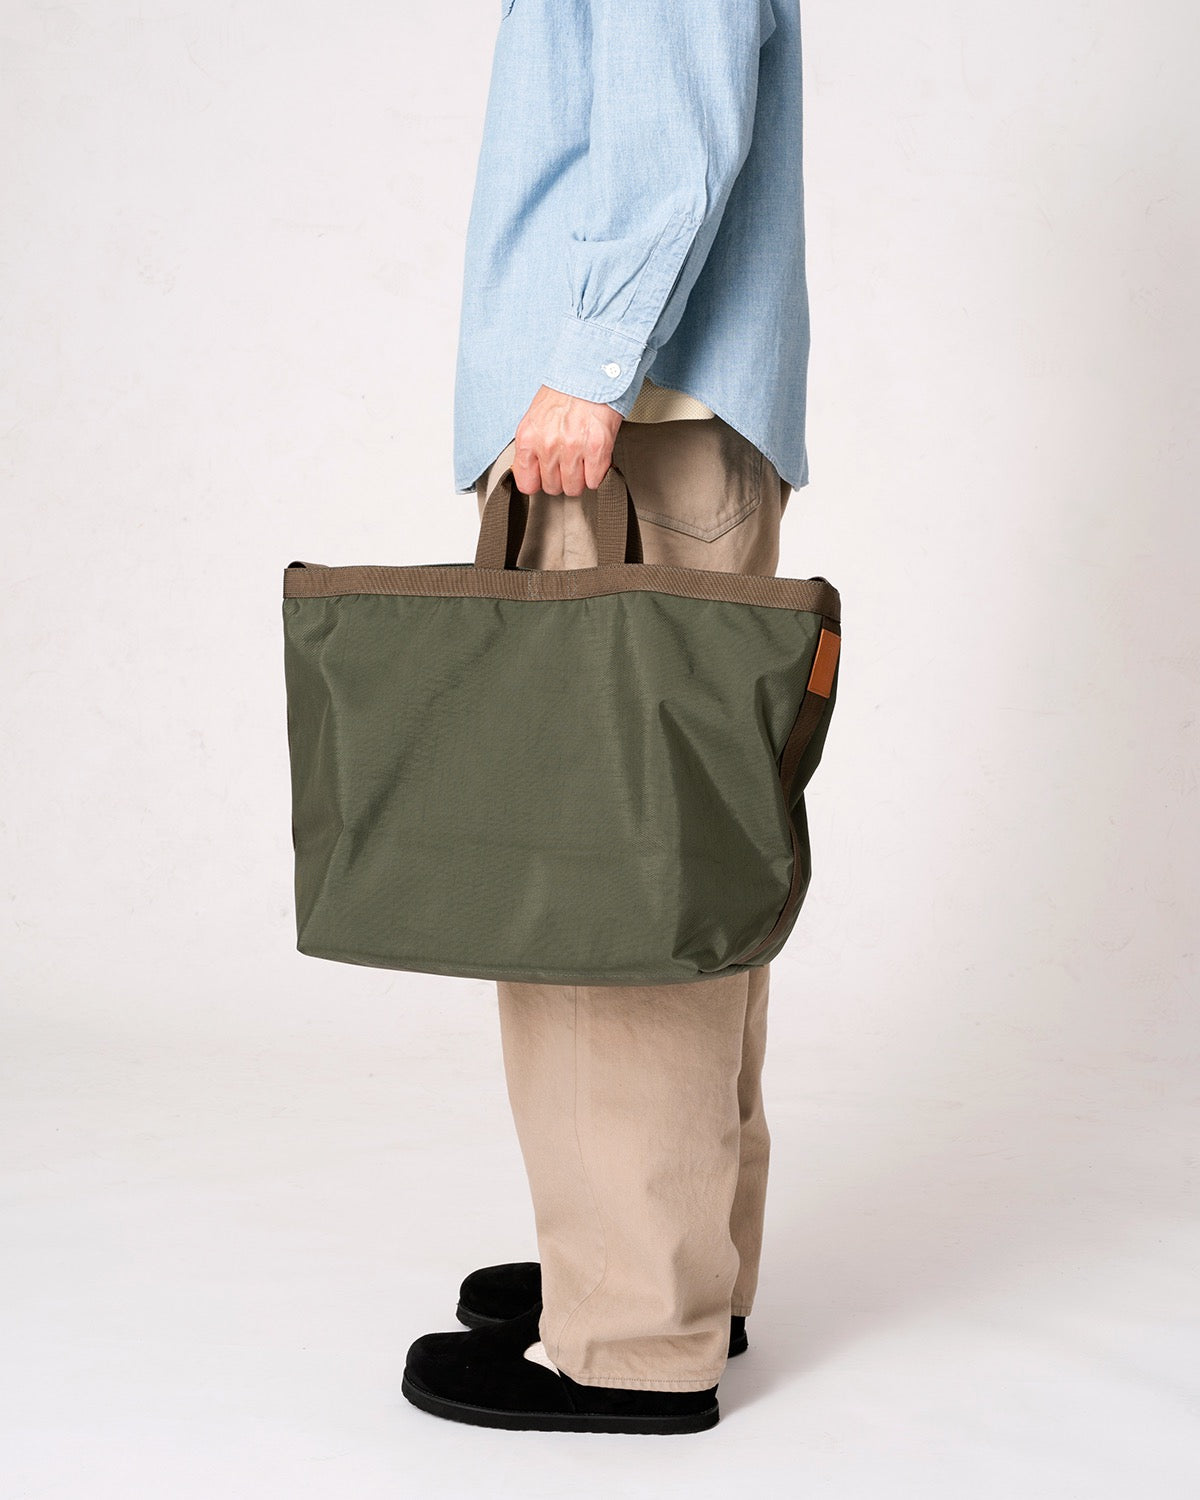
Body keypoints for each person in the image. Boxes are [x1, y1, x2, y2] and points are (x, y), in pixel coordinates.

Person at [401, 0, 811, 1434]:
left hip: (624, 427)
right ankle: (667, 1265)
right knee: (671, 867)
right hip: (658, 422)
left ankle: (631, 1336)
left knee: (600, 882)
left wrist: (588, 362)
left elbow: (671, 134)